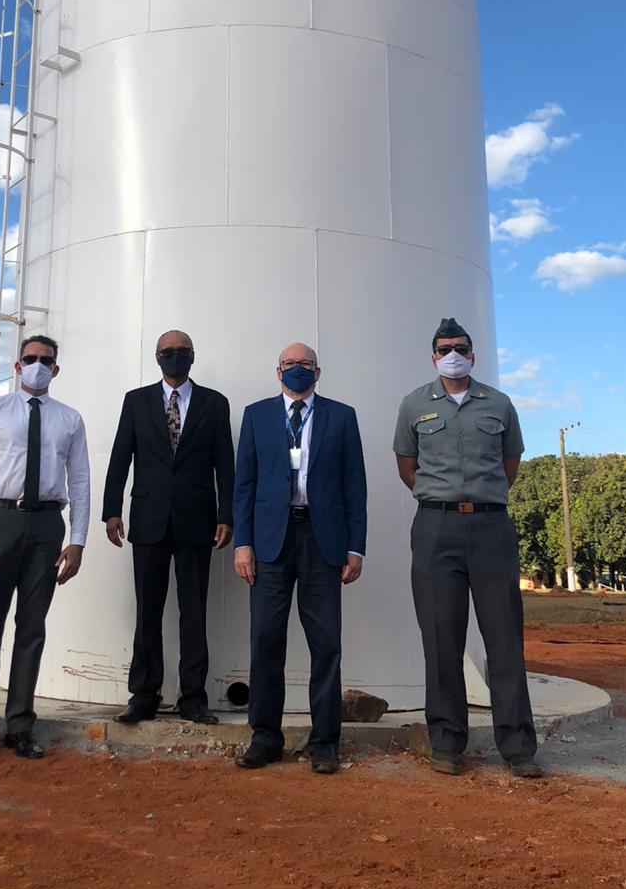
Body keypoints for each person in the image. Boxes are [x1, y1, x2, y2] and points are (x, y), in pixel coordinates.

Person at [393, 317, 542, 779]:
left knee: (503, 638)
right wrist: (443, 500)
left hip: (491, 528)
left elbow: (510, 462)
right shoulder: (414, 403)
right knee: (441, 639)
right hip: (436, 529)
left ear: (473, 355)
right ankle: (446, 742)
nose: (451, 353)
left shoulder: (499, 403)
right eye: (443, 348)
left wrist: (481, 498)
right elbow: (407, 463)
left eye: (460, 346)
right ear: (433, 356)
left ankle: (517, 747)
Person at [0, 335, 90, 764]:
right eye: (30, 359)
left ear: (57, 370)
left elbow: (79, 482)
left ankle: (20, 726)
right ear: (17, 365)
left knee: (31, 628)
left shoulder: (70, 419)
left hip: (47, 524)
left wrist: (77, 540)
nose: (38, 366)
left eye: (46, 361)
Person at [232, 343, 367, 774]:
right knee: (265, 642)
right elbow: (244, 484)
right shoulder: (256, 415)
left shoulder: (342, 417)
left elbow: (355, 487)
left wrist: (355, 546)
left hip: (321, 541)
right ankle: (265, 737)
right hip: (270, 542)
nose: (297, 370)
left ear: (318, 372)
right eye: (289, 365)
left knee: (325, 645)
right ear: (277, 372)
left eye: (304, 365)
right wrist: (243, 543)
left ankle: (325, 742)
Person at [103, 330, 234, 725]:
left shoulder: (215, 403)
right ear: (157, 357)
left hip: (198, 522)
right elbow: (120, 457)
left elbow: (225, 465)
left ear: (193, 357)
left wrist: (226, 515)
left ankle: (193, 698)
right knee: (148, 611)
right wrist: (112, 510)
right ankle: (143, 695)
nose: (175, 358)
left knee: (194, 612)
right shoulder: (136, 401)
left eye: (182, 352)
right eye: (168, 352)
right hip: (148, 521)